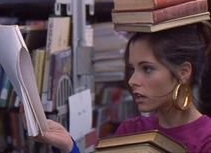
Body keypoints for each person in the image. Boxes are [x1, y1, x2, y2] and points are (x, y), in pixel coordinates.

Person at [24, 21, 211, 153]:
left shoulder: (206, 140)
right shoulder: (131, 131)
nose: (132, 80)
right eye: (132, 68)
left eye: (147, 68)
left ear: (183, 72)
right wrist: (68, 147)